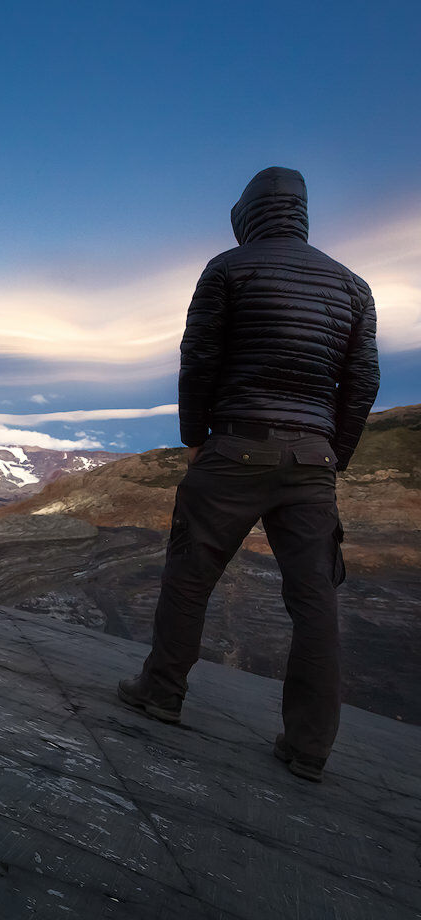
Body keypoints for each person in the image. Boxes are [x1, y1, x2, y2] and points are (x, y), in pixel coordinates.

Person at [117, 166, 380, 783]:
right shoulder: (354, 287)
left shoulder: (229, 269)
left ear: (250, 214)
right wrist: (330, 451)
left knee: (190, 576)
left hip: (237, 447)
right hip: (312, 462)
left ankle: (161, 692)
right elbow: (362, 380)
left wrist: (194, 439)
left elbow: (199, 357)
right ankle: (309, 746)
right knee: (315, 599)